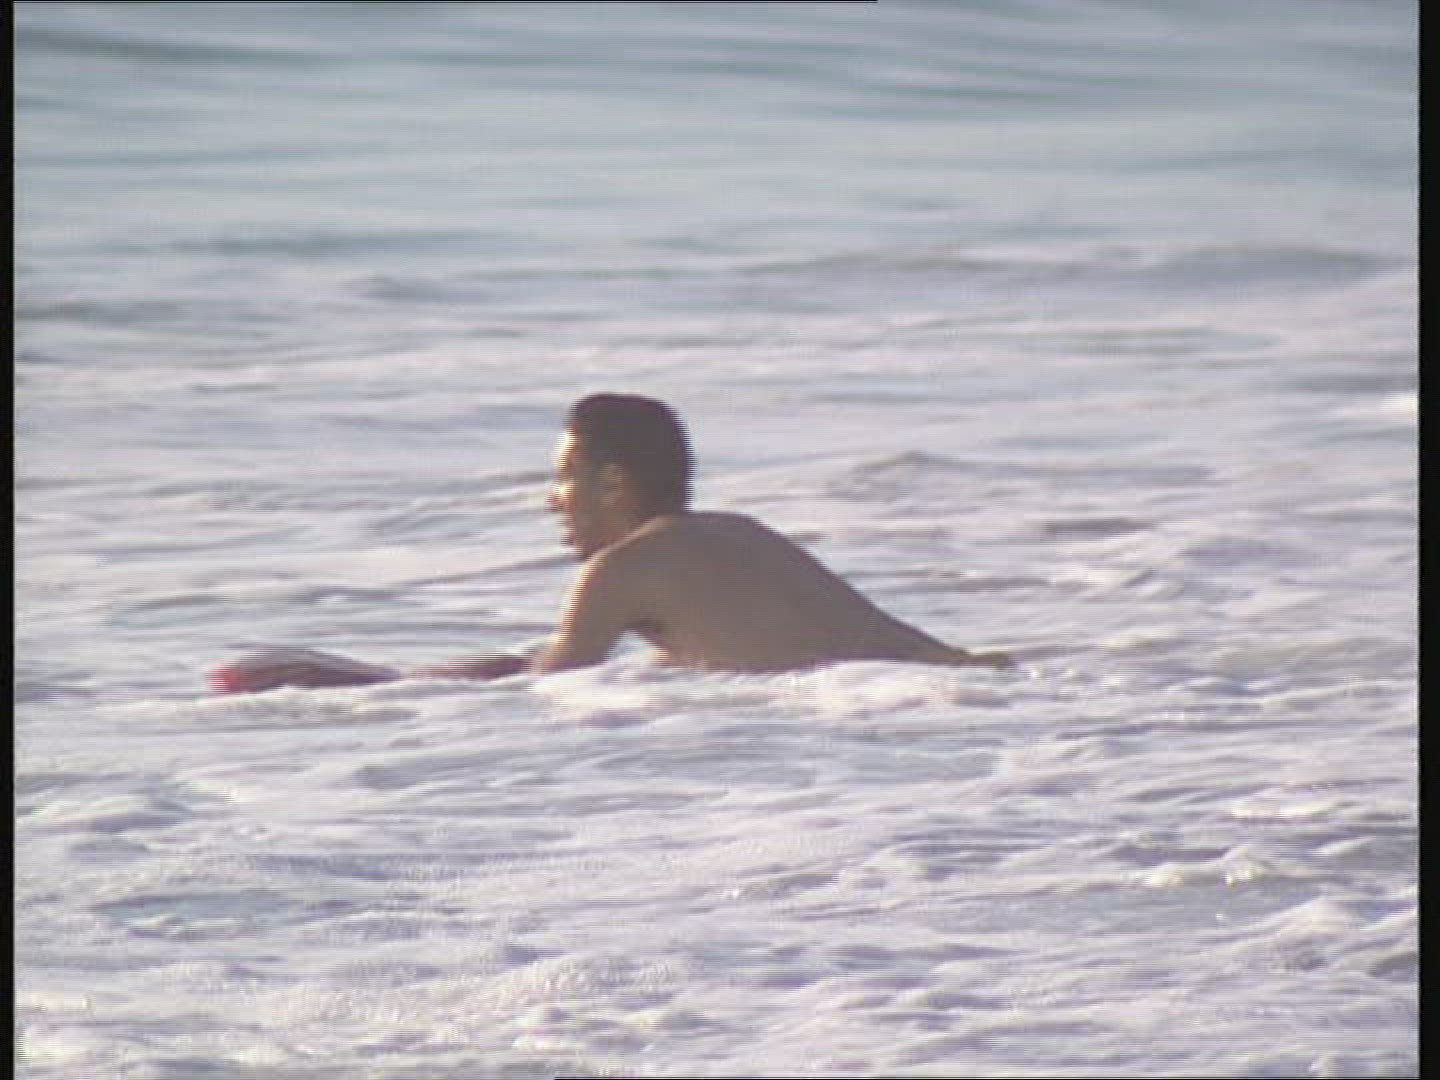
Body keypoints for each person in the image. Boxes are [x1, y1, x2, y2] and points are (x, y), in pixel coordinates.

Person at [209, 394, 1012, 693]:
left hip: (888, 713)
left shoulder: (623, 570)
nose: (552, 499)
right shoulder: (738, 533)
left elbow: (545, 692)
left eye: (565, 477)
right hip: (952, 682)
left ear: (614, 483)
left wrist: (362, 687)